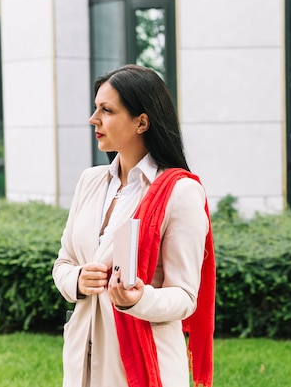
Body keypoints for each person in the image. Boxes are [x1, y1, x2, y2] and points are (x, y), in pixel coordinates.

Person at [52, 64, 215, 387]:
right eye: (96, 108)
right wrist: (79, 279)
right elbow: (63, 262)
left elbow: (184, 297)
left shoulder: (179, 193)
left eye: (106, 110)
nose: (93, 119)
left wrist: (138, 299)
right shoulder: (91, 181)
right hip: (82, 359)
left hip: (141, 364)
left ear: (142, 122)